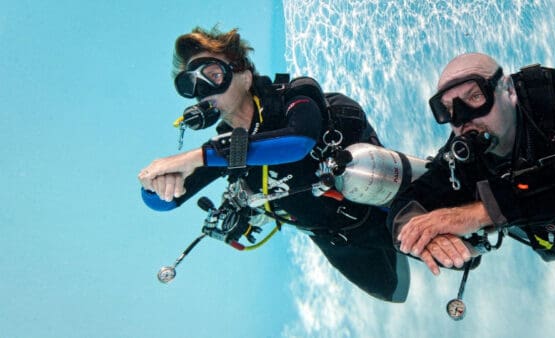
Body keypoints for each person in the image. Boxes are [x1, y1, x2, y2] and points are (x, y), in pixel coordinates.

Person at [138, 26, 469, 302]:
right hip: (340, 241)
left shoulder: (295, 94)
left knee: (472, 244)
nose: (203, 90)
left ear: (244, 74)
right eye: (190, 85)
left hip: (387, 202)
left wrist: (194, 157)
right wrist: (154, 185)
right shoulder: (224, 151)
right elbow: (162, 204)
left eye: (212, 74)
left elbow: (300, 141)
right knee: (394, 293)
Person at [388, 52, 555, 274]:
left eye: (474, 97)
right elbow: (407, 202)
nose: (463, 117)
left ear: (509, 90)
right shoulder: (466, 158)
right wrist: (422, 235)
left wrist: (480, 213)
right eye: (449, 109)